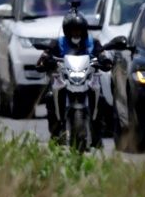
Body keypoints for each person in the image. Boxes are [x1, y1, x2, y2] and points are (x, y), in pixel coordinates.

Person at [37, 8, 106, 141]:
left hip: (88, 79)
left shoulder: (93, 43)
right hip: (64, 79)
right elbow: (46, 54)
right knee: (50, 97)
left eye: (79, 30)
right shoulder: (58, 43)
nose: (76, 33)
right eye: (73, 30)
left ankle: (97, 133)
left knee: (101, 98)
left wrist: (105, 60)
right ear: (66, 31)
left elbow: (101, 53)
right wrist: (45, 59)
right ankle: (56, 131)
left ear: (84, 30)